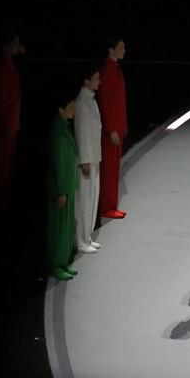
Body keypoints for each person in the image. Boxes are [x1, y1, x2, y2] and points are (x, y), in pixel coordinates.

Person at [0, 30, 23, 212]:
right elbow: (1, 98)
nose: (19, 46)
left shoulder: (8, 63)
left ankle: (2, 195)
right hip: (5, 124)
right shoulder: (2, 66)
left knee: (6, 162)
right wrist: (6, 122)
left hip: (10, 122)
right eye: (15, 43)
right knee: (2, 161)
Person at [47, 94, 80, 281]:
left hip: (67, 185)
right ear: (60, 110)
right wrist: (60, 191)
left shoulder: (64, 129)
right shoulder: (58, 132)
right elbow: (58, 163)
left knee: (65, 228)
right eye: (70, 108)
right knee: (59, 229)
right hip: (61, 187)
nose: (73, 111)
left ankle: (62, 262)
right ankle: (56, 265)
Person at [97, 37, 128, 219]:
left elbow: (120, 100)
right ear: (111, 50)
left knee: (114, 168)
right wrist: (110, 129)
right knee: (109, 168)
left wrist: (123, 124)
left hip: (118, 126)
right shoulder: (108, 71)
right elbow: (105, 102)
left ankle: (110, 204)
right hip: (112, 129)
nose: (124, 51)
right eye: (121, 48)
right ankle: (106, 206)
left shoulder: (115, 69)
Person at [73, 65, 102, 254]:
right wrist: (84, 159)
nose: (99, 82)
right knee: (84, 200)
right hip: (87, 158)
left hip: (94, 156)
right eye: (96, 78)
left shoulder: (90, 100)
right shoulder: (82, 102)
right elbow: (81, 131)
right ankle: (81, 240)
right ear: (86, 80)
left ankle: (87, 236)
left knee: (92, 198)